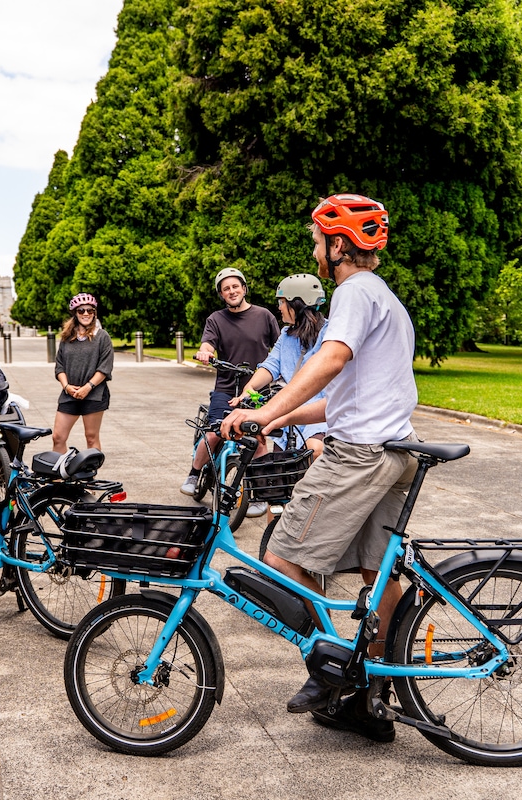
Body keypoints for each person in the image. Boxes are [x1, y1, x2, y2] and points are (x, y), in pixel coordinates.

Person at [221, 194, 418, 742]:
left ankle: (335, 675)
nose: (314, 251)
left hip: (358, 456)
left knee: (282, 556)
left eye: (316, 241)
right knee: (378, 577)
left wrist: (264, 409)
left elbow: (329, 361)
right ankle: (374, 696)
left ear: (339, 244)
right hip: (394, 449)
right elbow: (339, 401)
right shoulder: (386, 299)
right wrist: (267, 418)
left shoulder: (353, 292)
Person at [180, 267, 280, 520]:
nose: (232, 291)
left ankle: (258, 493)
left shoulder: (264, 315)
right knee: (215, 433)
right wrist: (206, 352)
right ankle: (194, 473)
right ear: (222, 295)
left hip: (258, 390)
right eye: (226, 289)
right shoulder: (217, 319)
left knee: (257, 440)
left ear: (244, 288)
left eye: (235, 286)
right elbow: (208, 343)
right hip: (226, 387)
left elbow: (280, 347)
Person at [231, 273, 329, 458]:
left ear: (296, 304)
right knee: (277, 470)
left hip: (317, 416)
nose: (279, 308)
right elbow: (271, 365)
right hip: (287, 415)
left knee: (314, 449)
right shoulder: (286, 335)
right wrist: (250, 387)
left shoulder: (329, 334)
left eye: (282, 302)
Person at [52, 293, 114, 452]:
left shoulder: (102, 337)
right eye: (81, 311)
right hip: (69, 393)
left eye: (90, 311)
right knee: (58, 437)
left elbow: (105, 367)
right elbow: (59, 366)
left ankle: (90, 476)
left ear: (94, 313)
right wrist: (66, 387)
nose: (86, 314)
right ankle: (60, 476)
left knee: (91, 437)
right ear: (75, 313)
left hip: (94, 394)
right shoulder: (67, 338)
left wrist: (88, 387)